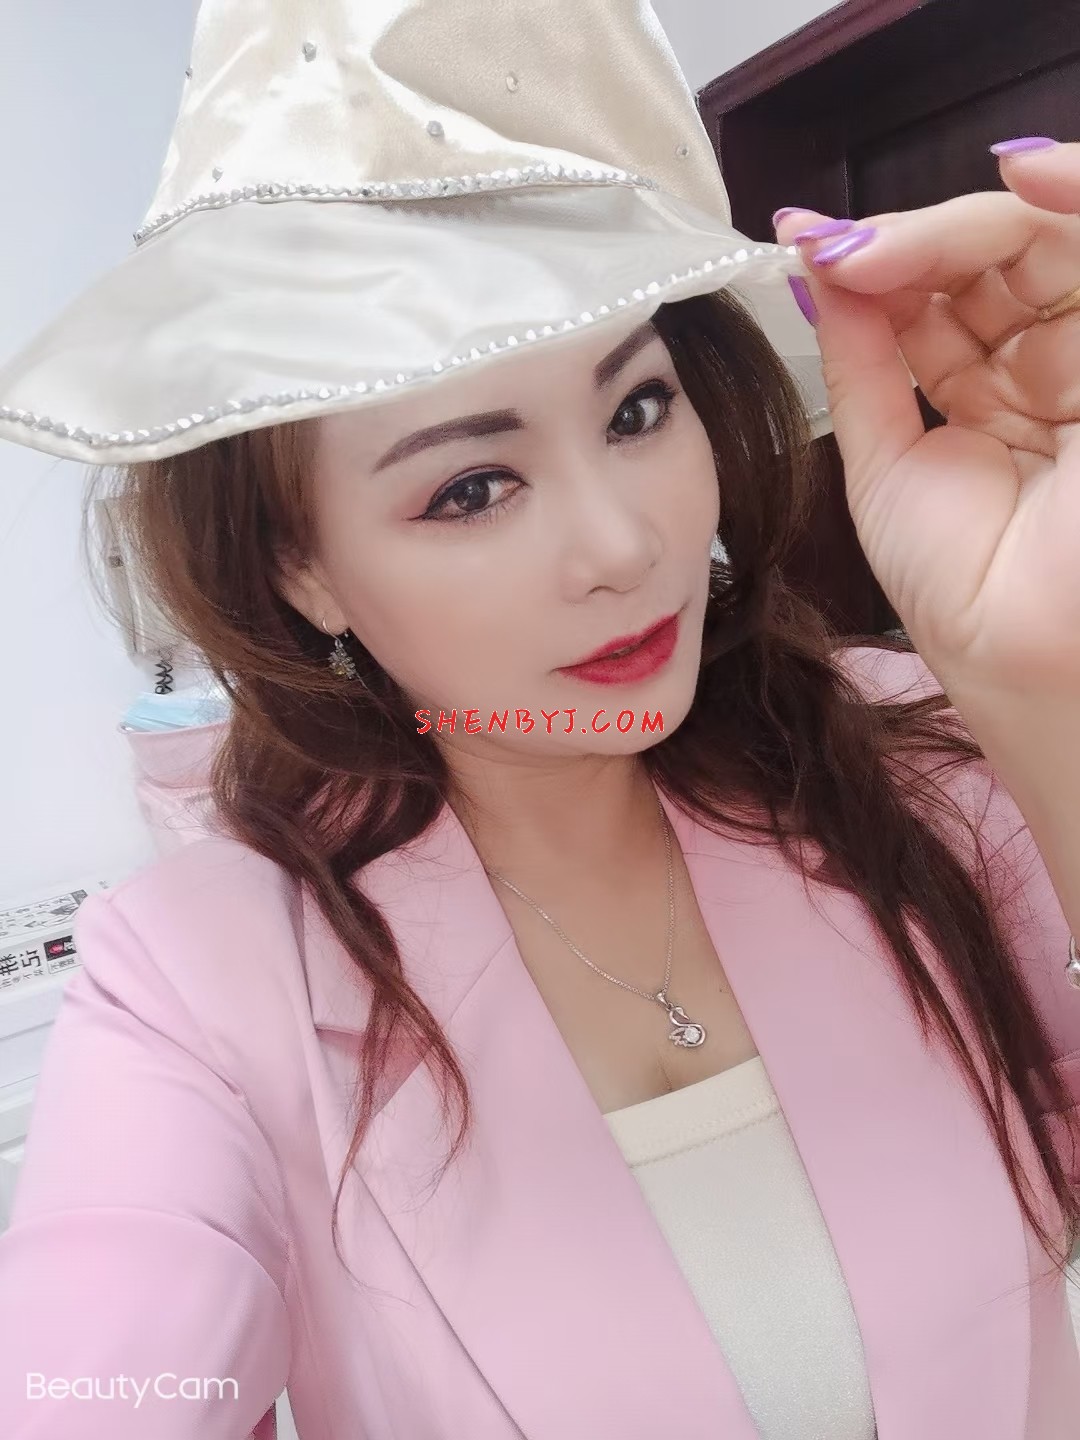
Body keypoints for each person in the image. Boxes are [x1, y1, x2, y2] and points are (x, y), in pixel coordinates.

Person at [1, 2, 1079, 1437]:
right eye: (471, 488)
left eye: (636, 411)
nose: (625, 544)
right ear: (301, 565)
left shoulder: (914, 754)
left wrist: (1039, 692)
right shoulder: (202, 980)